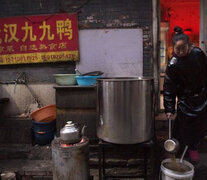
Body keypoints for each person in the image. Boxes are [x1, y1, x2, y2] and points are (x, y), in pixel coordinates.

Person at [164, 26, 207, 164]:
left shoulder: (198, 54)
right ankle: (174, 150)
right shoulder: (173, 64)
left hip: (202, 96)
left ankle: (193, 148)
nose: (181, 52)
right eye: (178, 49)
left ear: (189, 46)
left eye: (183, 48)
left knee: (200, 125)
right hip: (185, 99)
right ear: (173, 48)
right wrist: (169, 109)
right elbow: (169, 88)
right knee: (182, 125)